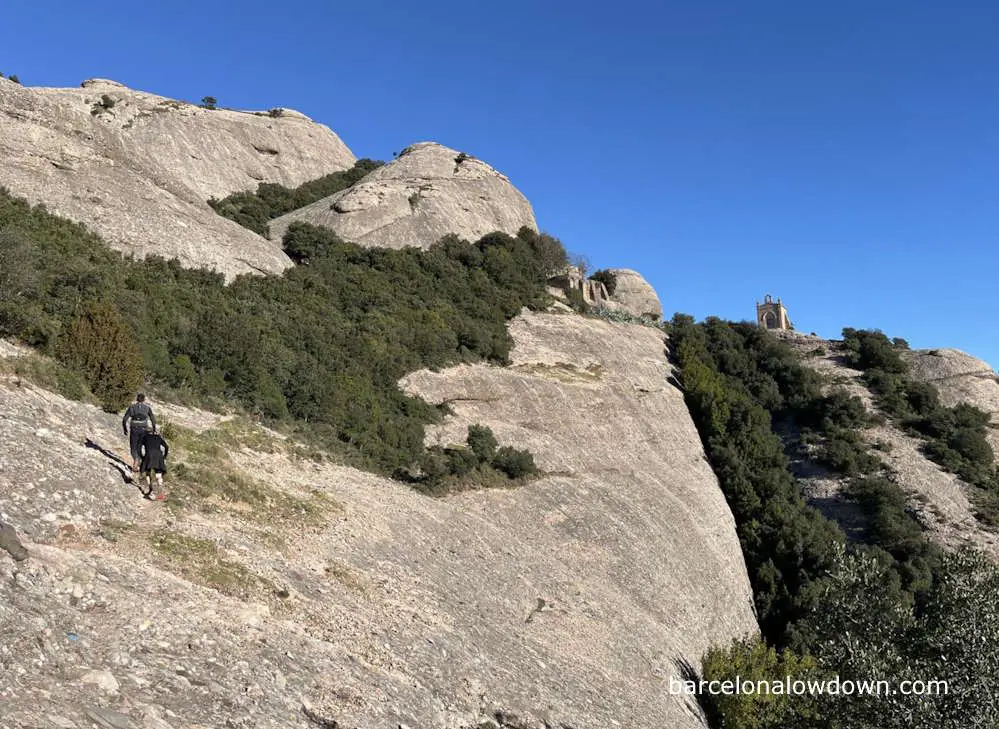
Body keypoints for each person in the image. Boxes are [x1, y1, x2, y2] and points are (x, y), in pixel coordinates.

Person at [122, 393, 156, 472]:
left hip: (134, 429)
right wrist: (154, 429)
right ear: (144, 400)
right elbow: (153, 419)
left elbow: (124, 419)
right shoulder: (147, 408)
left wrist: (125, 429)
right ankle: (141, 463)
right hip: (144, 429)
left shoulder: (132, 407)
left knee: (133, 447)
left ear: (137, 399)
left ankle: (136, 460)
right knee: (139, 447)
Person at [139, 427, 169, 501]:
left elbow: (138, 447)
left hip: (149, 455)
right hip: (158, 455)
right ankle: (160, 493)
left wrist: (142, 457)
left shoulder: (145, 437)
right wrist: (164, 456)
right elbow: (166, 446)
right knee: (158, 474)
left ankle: (150, 490)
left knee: (147, 472)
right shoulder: (158, 437)